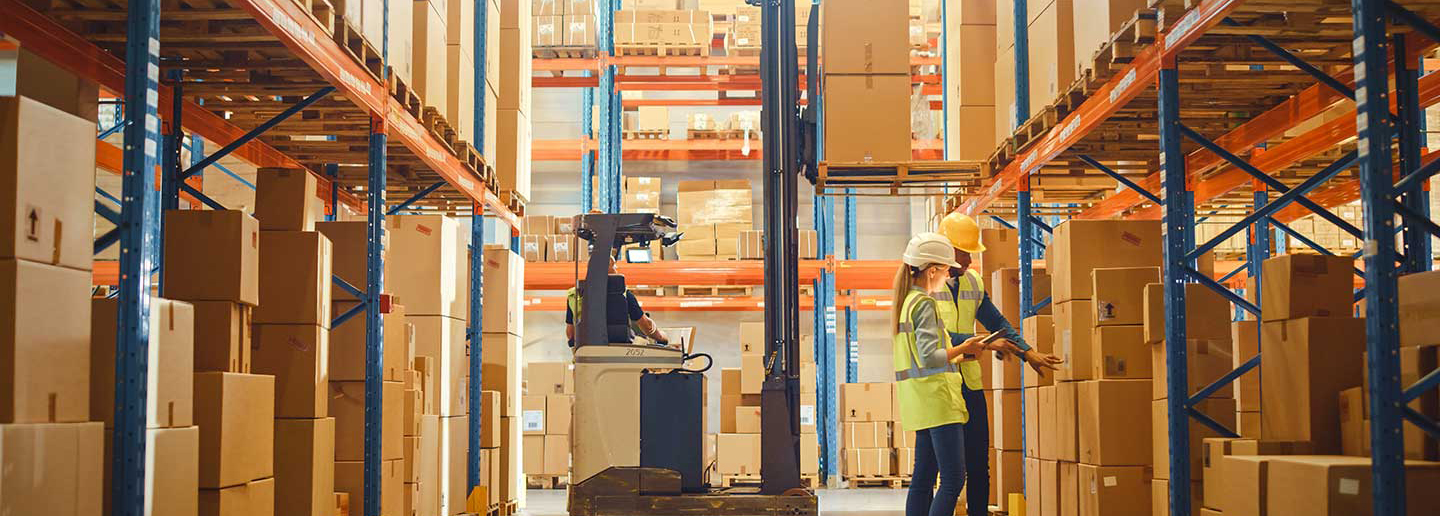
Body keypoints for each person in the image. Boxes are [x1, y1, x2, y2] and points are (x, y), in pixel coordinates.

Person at [936, 212, 1064, 515]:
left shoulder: (972, 281)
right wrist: (985, 342)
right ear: (948, 249)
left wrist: (1027, 352)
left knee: (979, 465)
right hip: (939, 387)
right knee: (948, 474)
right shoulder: (928, 285)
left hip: (969, 385)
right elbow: (939, 337)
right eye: (964, 253)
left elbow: (998, 322)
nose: (969, 260)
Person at [893, 233, 998, 516]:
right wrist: (964, 347)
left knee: (923, 478)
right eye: (946, 269)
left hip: (921, 400)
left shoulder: (907, 302)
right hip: (939, 401)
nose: (949, 275)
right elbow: (930, 357)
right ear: (932, 271)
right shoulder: (925, 304)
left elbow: (920, 356)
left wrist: (963, 353)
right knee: (953, 480)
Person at [565, 256, 670, 347]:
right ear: (608, 269)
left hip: (586, 350)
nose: (616, 268)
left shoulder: (574, 295)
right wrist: (661, 337)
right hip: (621, 348)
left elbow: (570, 334)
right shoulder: (623, 294)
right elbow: (646, 326)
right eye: (614, 265)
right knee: (644, 342)